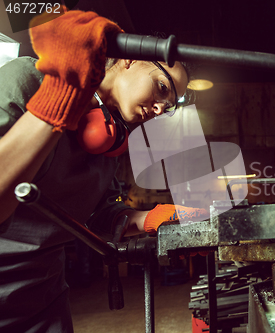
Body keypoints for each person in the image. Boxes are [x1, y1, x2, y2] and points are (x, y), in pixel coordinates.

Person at [0, 8, 207, 332]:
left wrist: (151, 218)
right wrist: (60, 97)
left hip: (42, 300)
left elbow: (96, 216)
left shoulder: (112, 140)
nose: (159, 109)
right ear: (130, 59)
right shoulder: (28, 81)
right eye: (162, 88)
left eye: (168, 107)